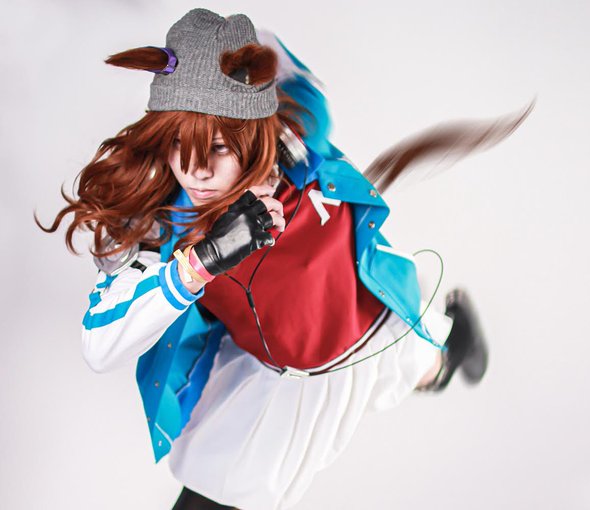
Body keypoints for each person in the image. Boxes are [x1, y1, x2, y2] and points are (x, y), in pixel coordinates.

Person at [38, 8, 528, 510]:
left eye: (219, 147)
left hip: (372, 315)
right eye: (178, 144)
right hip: (285, 369)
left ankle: (451, 346)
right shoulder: (163, 226)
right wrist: (201, 261)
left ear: (254, 134)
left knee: (417, 363)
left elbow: (279, 59)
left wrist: (229, 58)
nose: (196, 170)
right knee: (220, 487)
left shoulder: (299, 139)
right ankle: (445, 352)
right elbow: (99, 346)